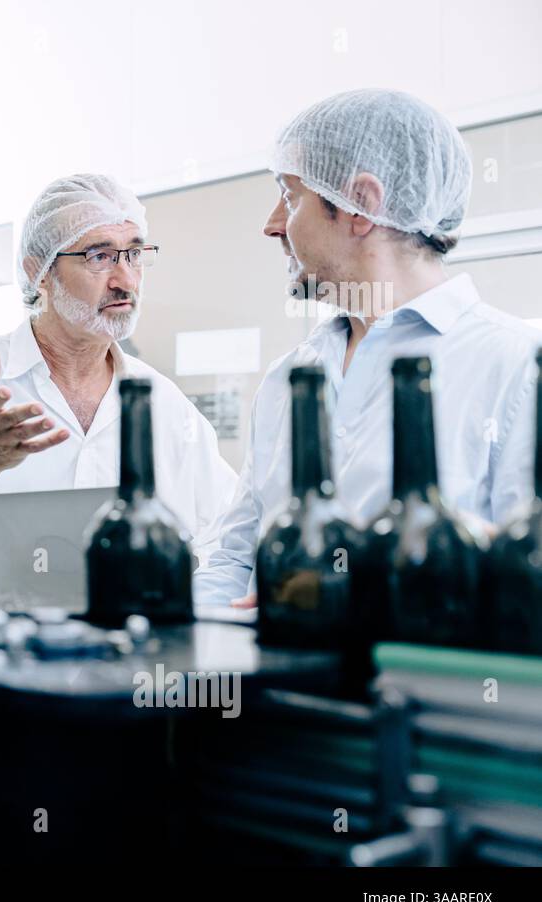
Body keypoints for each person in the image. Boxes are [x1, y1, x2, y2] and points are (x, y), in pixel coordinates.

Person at [193, 89, 542, 608]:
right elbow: (233, 559)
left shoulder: (515, 366)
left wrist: (341, 601)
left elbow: (525, 579)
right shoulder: (290, 377)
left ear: (361, 204)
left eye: (290, 198)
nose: (272, 225)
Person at [0, 173, 238, 557]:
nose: (126, 280)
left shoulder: (165, 404)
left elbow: (227, 534)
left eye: (134, 253)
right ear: (39, 272)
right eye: (99, 257)